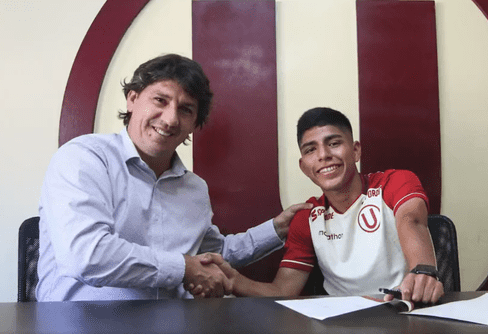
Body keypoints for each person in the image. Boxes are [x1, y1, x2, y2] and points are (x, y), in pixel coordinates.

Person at [36, 54, 310, 301]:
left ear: (194, 125)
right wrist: (184, 268)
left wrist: (276, 230)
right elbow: (85, 255)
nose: (170, 119)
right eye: (160, 100)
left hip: (173, 323)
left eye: (186, 110)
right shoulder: (83, 158)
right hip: (76, 323)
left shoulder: (194, 189)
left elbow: (212, 254)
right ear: (132, 99)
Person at [195, 107, 444, 304]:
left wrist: (423, 271)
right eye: (311, 150)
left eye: (334, 143)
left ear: (355, 151)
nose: (324, 155)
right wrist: (233, 280)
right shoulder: (306, 217)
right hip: (340, 325)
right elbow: (283, 290)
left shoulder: (395, 181)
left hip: (403, 311)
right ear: (304, 166)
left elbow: (411, 220)